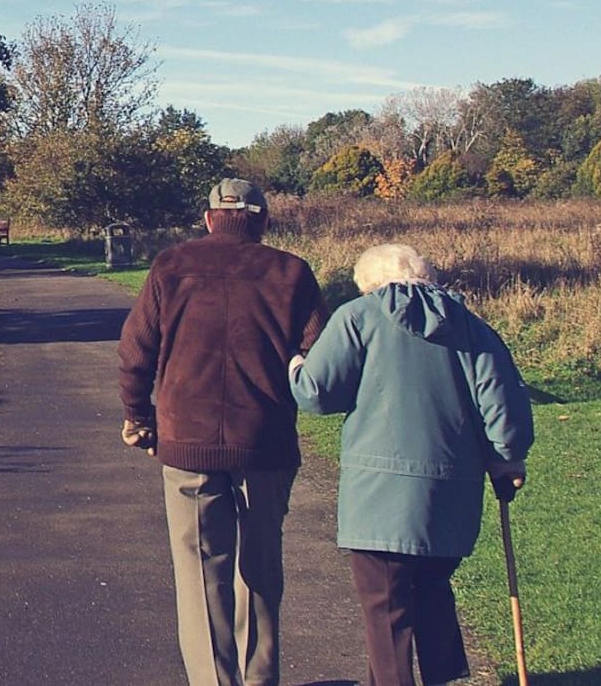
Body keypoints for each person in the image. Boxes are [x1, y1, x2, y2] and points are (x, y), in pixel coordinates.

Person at [288, 243, 534, 686]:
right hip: (451, 492)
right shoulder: (470, 325)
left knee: (386, 607)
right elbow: (503, 404)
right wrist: (507, 458)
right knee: (432, 590)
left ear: (370, 284)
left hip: (378, 495)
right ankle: (443, 678)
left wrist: (296, 364)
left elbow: (316, 393)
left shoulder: (358, 316)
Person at [118, 177, 330, 686]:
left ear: (209, 218)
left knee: (199, 571)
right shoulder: (291, 272)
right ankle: (259, 679)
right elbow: (319, 357)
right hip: (265, 441)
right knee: (261, 568)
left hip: (187, 439)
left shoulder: (171, 265)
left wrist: (138, 416)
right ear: (263, 220)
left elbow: (135, 352)